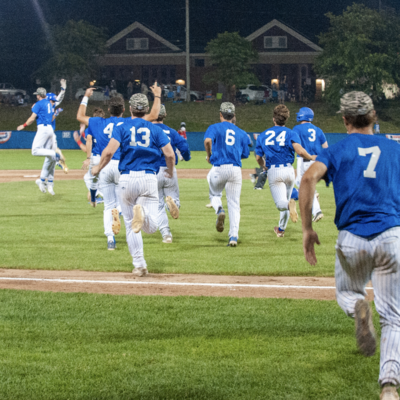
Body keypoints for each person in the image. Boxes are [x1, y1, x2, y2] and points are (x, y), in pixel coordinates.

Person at [299, 91, 400, 400]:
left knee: (347, 293)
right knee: (393, 316)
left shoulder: (339, 150)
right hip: (391, 236)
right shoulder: (394, 149)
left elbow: (308, 180)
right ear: (374, 117)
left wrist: (306, 229)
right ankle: (389, 387)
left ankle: (357, 307)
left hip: (352, 238)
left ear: (344, 120)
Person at [91, 93, 175, 276]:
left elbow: (108, 152)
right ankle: (143, 214)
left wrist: (98, 167)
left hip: (126, 179)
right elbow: (169, 154)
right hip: (148, 179)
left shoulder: (122, 127)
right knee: (151, 228)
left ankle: (139, 265)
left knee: (130, 226)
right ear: (146, 109)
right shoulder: (156, 129)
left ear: (129, 108)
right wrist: (170, 170)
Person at [255, 105, 316, 237]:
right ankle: (281, 229)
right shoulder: (291, 133)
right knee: (286, 199)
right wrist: (311, 157)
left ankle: (291, 205)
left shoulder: (264, 135)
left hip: (274, 171)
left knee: (281, 204)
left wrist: (264, 166)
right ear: (286, 119)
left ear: (273, 119)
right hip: (289, 171)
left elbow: (258, 158)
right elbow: (299, 150)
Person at [77, 91, 125, 250]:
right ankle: (119, 212)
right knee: (127, 201)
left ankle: (110, 240)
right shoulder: (127, 123)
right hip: (121, 165)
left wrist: (86, 96)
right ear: (123, 110)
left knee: (108, 205)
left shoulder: (98, 122)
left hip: (104, 166)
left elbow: (80, 116)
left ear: (109, 110)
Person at [204, 102, 250, 246]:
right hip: (235, 170)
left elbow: (207, 140)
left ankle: (219, 209)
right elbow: (245, 154)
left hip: (218, 167)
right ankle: (233, 237)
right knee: (234, 204)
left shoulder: (214, 127)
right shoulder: (242, 133)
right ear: (234, 115)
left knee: (215, 195)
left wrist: (209, 154)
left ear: (220, 114)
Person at [153, 104, 191, 243]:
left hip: (153, 171)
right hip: (169, 169)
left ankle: (166, 235)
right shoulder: (171, 132)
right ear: (165, 115)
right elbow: (184, 146)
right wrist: (186, 157)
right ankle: (173, 203)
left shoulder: (147, 130)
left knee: (158, 205)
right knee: (174, 198)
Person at [16, 87, 67, 183]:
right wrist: (63, 90)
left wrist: (24, 125)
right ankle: (46, 180)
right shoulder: (49, 104)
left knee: (35, 151)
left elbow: (32, 119)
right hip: (50, 129)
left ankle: (55, 155)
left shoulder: (39, 104)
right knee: (48, 158)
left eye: (37, 95)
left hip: (43, 129)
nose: (36, 96)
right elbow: (52, 113)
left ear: (39, 95)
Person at [293, 107, 328, 222]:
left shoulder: (297, 128)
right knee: (299, 182)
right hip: (317, 160)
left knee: (302, 184)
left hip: (304, 160)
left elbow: (296, 145)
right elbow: (326, 147)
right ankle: (314, 196)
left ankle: (317, 210)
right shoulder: (318, 130)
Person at [34, 79, 67, 195]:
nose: (54, 102)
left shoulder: (49, 105)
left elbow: (59, 99)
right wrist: (56, 114)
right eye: (52, 101)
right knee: (51, 158)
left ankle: (46, 182)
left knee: (50, 160)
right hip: (46, 134)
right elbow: (49, 118)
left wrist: (63, 89)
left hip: (49, 133)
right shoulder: (45, 106)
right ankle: (45, 181)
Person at [73, 108, 106, 205]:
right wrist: (82, 133)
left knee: (89, 179)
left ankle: (100, 195)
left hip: (96, 158)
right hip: (108, 158)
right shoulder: (108, 127)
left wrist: (78, 140)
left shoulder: (91, 128)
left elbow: (88, 145)